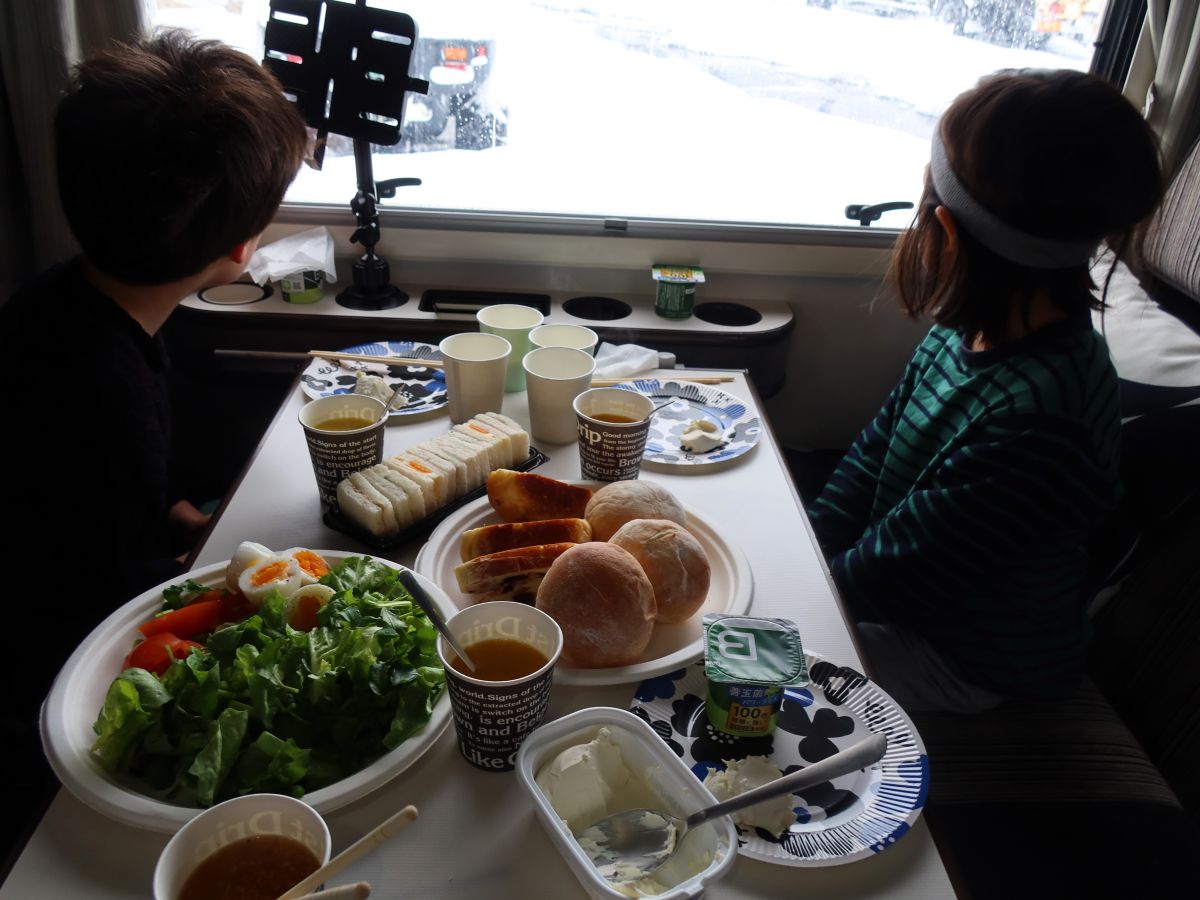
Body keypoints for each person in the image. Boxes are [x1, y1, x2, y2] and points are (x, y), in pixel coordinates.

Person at [0, 31, 308, 858]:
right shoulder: (102, 390)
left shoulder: (56, 309)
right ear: (242, 247)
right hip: (45, 705)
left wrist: (179, 518)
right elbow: (104, 598)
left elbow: (89, 501)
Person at [806, 69, 1164, 714]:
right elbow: (866, 465)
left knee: (727, 669)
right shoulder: (963, 334)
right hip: (902, 599)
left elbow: (899, 573)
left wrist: (786, 604)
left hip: (965, 661)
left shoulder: (1039, 423)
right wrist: (802, 553)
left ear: (945, 232)